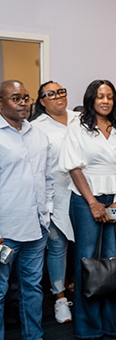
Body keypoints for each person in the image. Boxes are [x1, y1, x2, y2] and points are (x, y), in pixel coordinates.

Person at [59, 79, 116, 339]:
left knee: (112, 260)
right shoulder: (78, 127)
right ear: (91, 100)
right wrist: (93, 203)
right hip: (86, 199)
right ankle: (89, 328)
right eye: (100, 96)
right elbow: (74, 167)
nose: (105, 101)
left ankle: (112, 324)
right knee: (87, 260)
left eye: (109, 96)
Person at [0, 80, 54, 340]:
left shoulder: (39, 134)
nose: (23, 102)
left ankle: (34, 337)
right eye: (15, 98)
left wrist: (48, 212)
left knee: (32, 289)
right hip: (5, 231)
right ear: (1, 102)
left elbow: (48, 178)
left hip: (37, 227)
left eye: (26, 97)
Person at [31, 81, 79, 324]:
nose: (58, 96)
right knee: (58, 247)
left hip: (83, 194)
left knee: (85, 247)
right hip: (56, 196)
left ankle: (84, 293)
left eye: (61, 91)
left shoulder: (80, 119)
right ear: (42, 101)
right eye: (51, 94)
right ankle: (60, 298)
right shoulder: (35, 127)